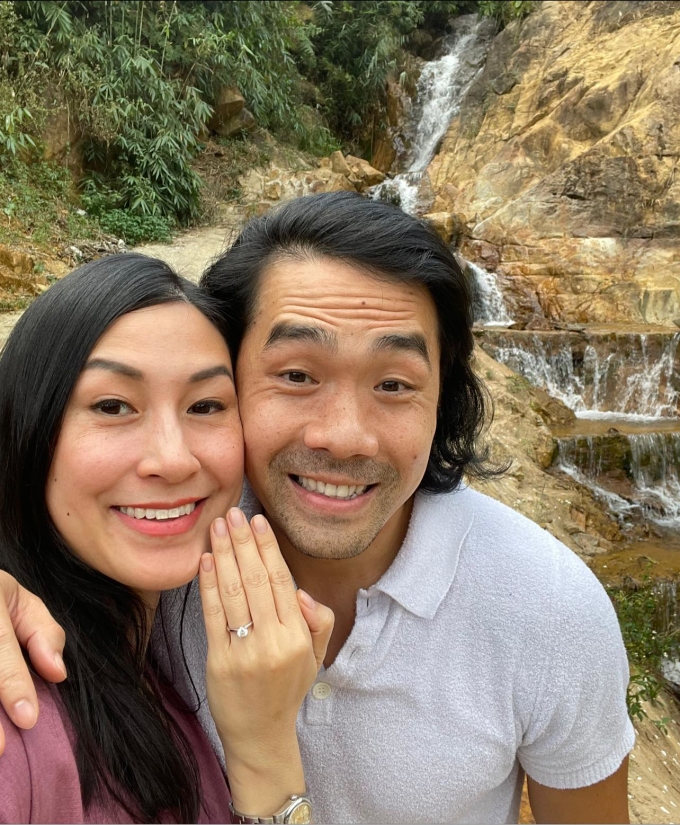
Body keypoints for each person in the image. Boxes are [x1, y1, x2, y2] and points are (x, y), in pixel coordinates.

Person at [0, 193, 633, 823]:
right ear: (234, 372)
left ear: (443, 403)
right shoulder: (172, 538)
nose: (345, 436)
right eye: (298, 376)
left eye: (394, 384)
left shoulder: (549, 608)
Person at [0, 253, 333, 823]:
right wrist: (264, 759)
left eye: (205, 405)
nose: (174, 459)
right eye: (112, 406)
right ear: (27, 428)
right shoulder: (18, 719)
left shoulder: (147, 666)